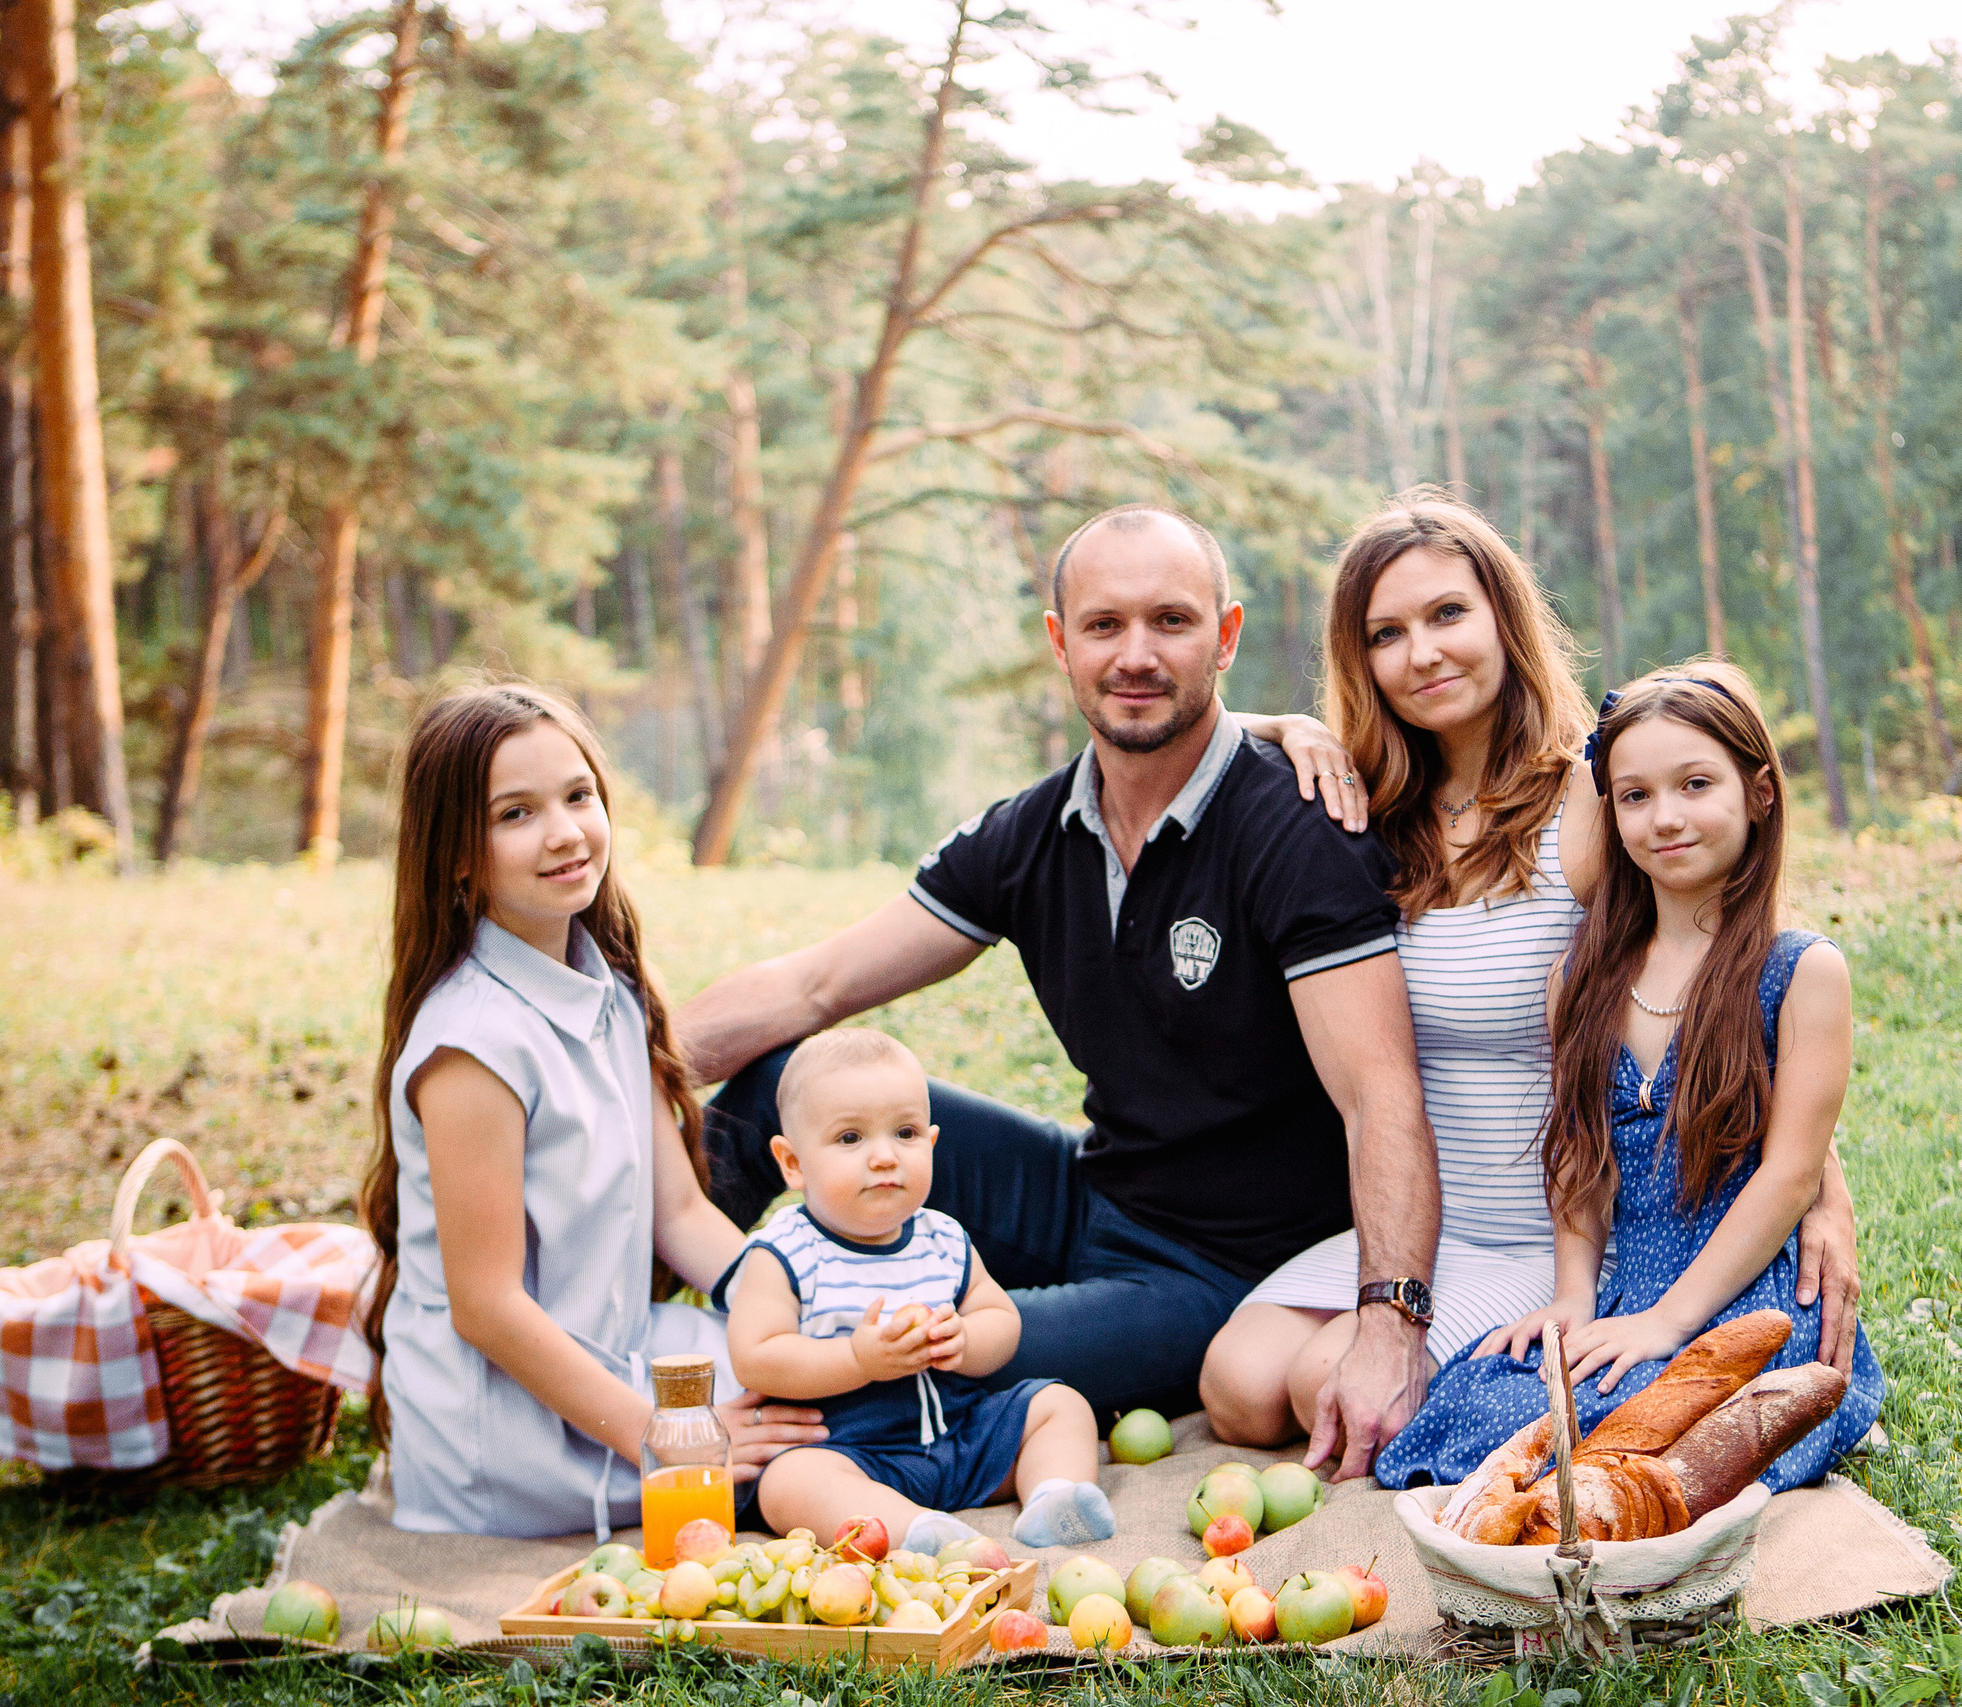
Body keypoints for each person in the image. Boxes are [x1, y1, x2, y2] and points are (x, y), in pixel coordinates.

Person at [678, 504, 1440, 1480]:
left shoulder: (1295, 824)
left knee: (913, 1355)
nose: (1136, 654)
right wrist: (596, 1086)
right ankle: (618, 1351)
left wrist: (1391, 1321)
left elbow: (1382, 1098)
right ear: (1059, 642)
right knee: (768, 1090)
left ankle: (738, 1431)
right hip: (1089, 1190)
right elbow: (814, 984)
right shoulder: (1029, 834)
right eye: (1103, 625)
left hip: (1218, 1269)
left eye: (1170, 621)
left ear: (1226, 635)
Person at [1208, 490, 1867, 1454]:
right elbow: (1201, 739)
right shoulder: (1364, 805)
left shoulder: (1595, 798)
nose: (1423, 652)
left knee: (1323, 1390)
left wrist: (1823, 1187)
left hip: (1549, 1225)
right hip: (1420, 1219)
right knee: (1235, 1386)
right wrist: (1281, 727)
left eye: (1447, 614)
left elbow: (1722, 978)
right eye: (1387, 633)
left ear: (1505, 620)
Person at [1374, 662, 1884, 1492]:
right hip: (1623, 1292)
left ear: (1760, 793)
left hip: (1743, 1300)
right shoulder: (1581, 977)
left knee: (1644, 1434)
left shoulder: (1801, 972)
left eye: (1695, 784)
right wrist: (1574, 1296)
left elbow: (1792, 1177)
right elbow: (1578, 1156)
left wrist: (1668, 1322)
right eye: (1636, 795)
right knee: (1489, 1400)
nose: (1666, 817)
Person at [357, 684, 827, 1539]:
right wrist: (669, 1439)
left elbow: (680, 1211)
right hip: (509, 1428)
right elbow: (488, 1307)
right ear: (457, 854)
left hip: (619, 1350)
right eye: (516, 813)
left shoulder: (602, 986)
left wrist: (801, 1308)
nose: (566, 831)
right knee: (815, 1459)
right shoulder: (473, 1045)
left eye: (577, 795)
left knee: (832, 1388)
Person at [720, 1029, 1116, 1553]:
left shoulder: (942, 1237)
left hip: (957, 1437)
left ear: (931, 1144)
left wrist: (966, 1339)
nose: (884, 1156)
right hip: (850, 1452)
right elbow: (755, 1356)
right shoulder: (785, 1253)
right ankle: (911, 1533)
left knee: (1058, 1405)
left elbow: (999, 1315)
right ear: (792, 1163)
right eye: (850, 1138)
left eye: (904, 1133)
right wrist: (857, 1360)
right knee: (789, 1484)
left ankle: (1055, 1496)